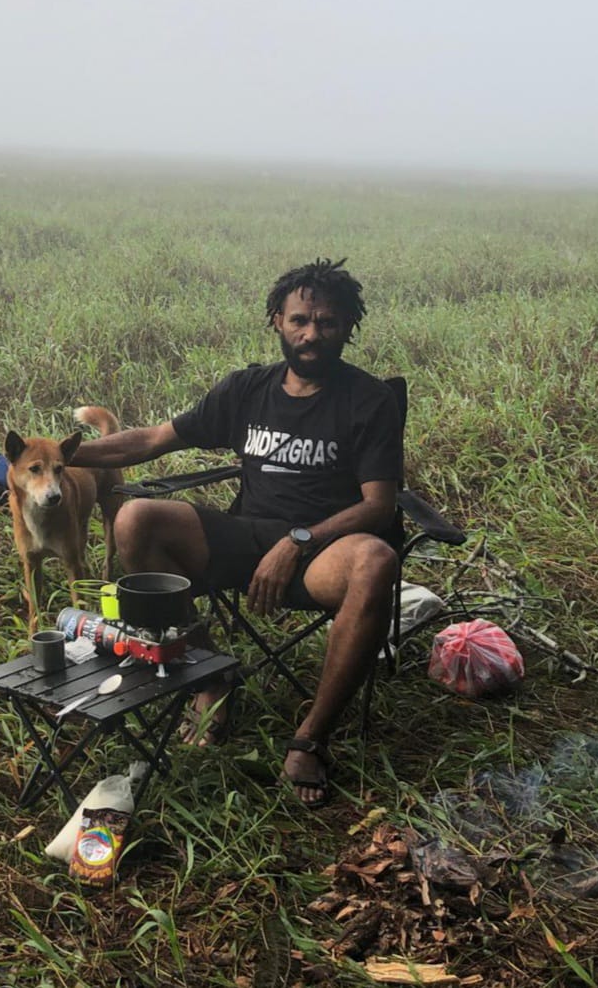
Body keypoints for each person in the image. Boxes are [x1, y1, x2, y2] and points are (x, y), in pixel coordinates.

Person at [69, 258, 402, 807]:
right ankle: (208, 676)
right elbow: (153, 439)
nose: (311, 334)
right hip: (245, 535)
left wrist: (296, 543)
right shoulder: (249, 389)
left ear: (348, 327)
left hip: (324, 552)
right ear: (276, 319)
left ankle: (310, 738)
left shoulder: (369, 400)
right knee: (136, 517)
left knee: (376, 561)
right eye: (299, 320)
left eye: (327, 323)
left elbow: (378, 505)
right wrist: (58, 458)